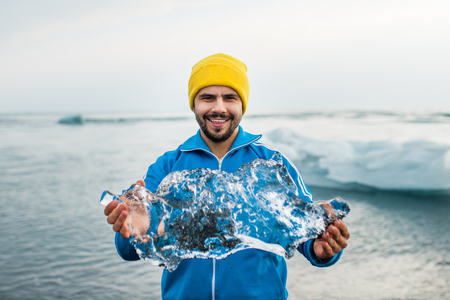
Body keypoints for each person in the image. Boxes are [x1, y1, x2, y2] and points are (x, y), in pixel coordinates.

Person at [104, 53, 350, 299]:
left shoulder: (273, 164)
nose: (219, 108)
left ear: (242, 104)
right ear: (194, 104)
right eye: (207, 97)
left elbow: (303, 230)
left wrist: (322, 250)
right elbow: (130, 248)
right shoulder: (167, 166)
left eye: (230, 97)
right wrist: (129, 227)